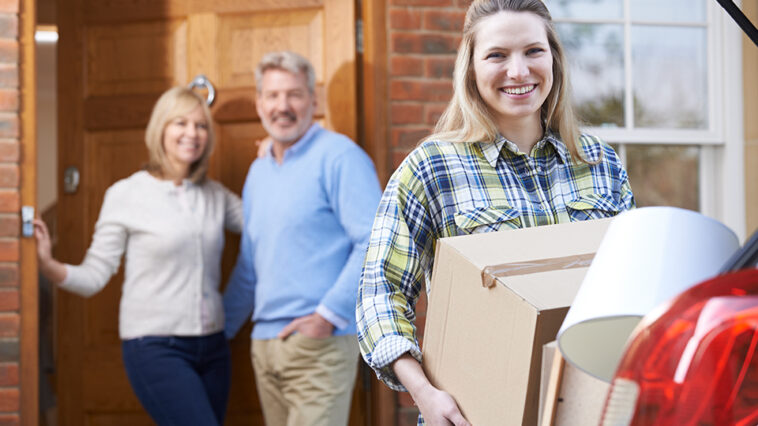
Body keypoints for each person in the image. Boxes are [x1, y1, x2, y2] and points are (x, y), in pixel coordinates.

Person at [356, 0, 636, 425]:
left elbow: (632, 286)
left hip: (585, 407)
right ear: (470, 67)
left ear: (554, 59)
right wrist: (425, 394)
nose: (519, 71)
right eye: (497, 55)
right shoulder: (432, 168)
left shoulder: (600, 164)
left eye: (533, 51)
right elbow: (380, 293)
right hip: (475, 414)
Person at [33, 87, 242, 426]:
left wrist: (274, 163)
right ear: (160, 129)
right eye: (181, 123)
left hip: (214, 347)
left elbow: (265, 228)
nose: (192, 133)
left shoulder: (216, 195)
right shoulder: (127, 194)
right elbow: (95, 275)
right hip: (156, 347)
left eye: (201, 126)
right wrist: (49, 265)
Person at [223, 51, 381, 426]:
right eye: (273, 96)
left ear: (313, 100)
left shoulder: (339, 156)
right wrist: (218, 333)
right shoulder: (258, 173)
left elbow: (373, 242)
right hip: (264, 345)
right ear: (259, 103)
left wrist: (326, 316)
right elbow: (249, 264)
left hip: (319, 344)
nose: (283, 106)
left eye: (294, 94)